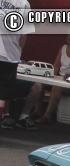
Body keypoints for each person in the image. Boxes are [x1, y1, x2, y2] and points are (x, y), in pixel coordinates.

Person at [26, 33, 70, 125]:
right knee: (39, 83)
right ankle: (38, 111)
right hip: (61, 79)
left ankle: (47, 116)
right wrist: (49, 76)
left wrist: (60, 79)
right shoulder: (63, 48)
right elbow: (56, 66)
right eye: (69, 36)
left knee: (57, 87)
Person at [0, 0, 35, 129]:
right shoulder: (24, 4)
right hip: (10, 56)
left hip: (10, 55)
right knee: (3, 92)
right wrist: (18, 52)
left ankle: (6, 115)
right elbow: (24, 36)